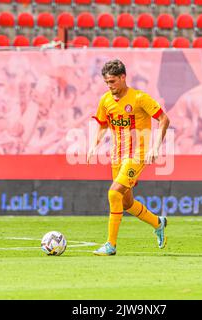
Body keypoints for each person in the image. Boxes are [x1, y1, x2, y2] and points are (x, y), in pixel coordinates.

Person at [87, 59, 171, 256]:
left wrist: (155, 147)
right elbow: (103, 124)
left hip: (137, 154)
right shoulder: (105, 100)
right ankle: (158, 223)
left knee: (113, 193)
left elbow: (164, 119)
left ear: (123, 77)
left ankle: (111, 245)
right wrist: (93, 145)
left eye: (113, 82)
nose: (110, 86)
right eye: (107, 82)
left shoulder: (139, 98)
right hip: (117, 156)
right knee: (126, 203)